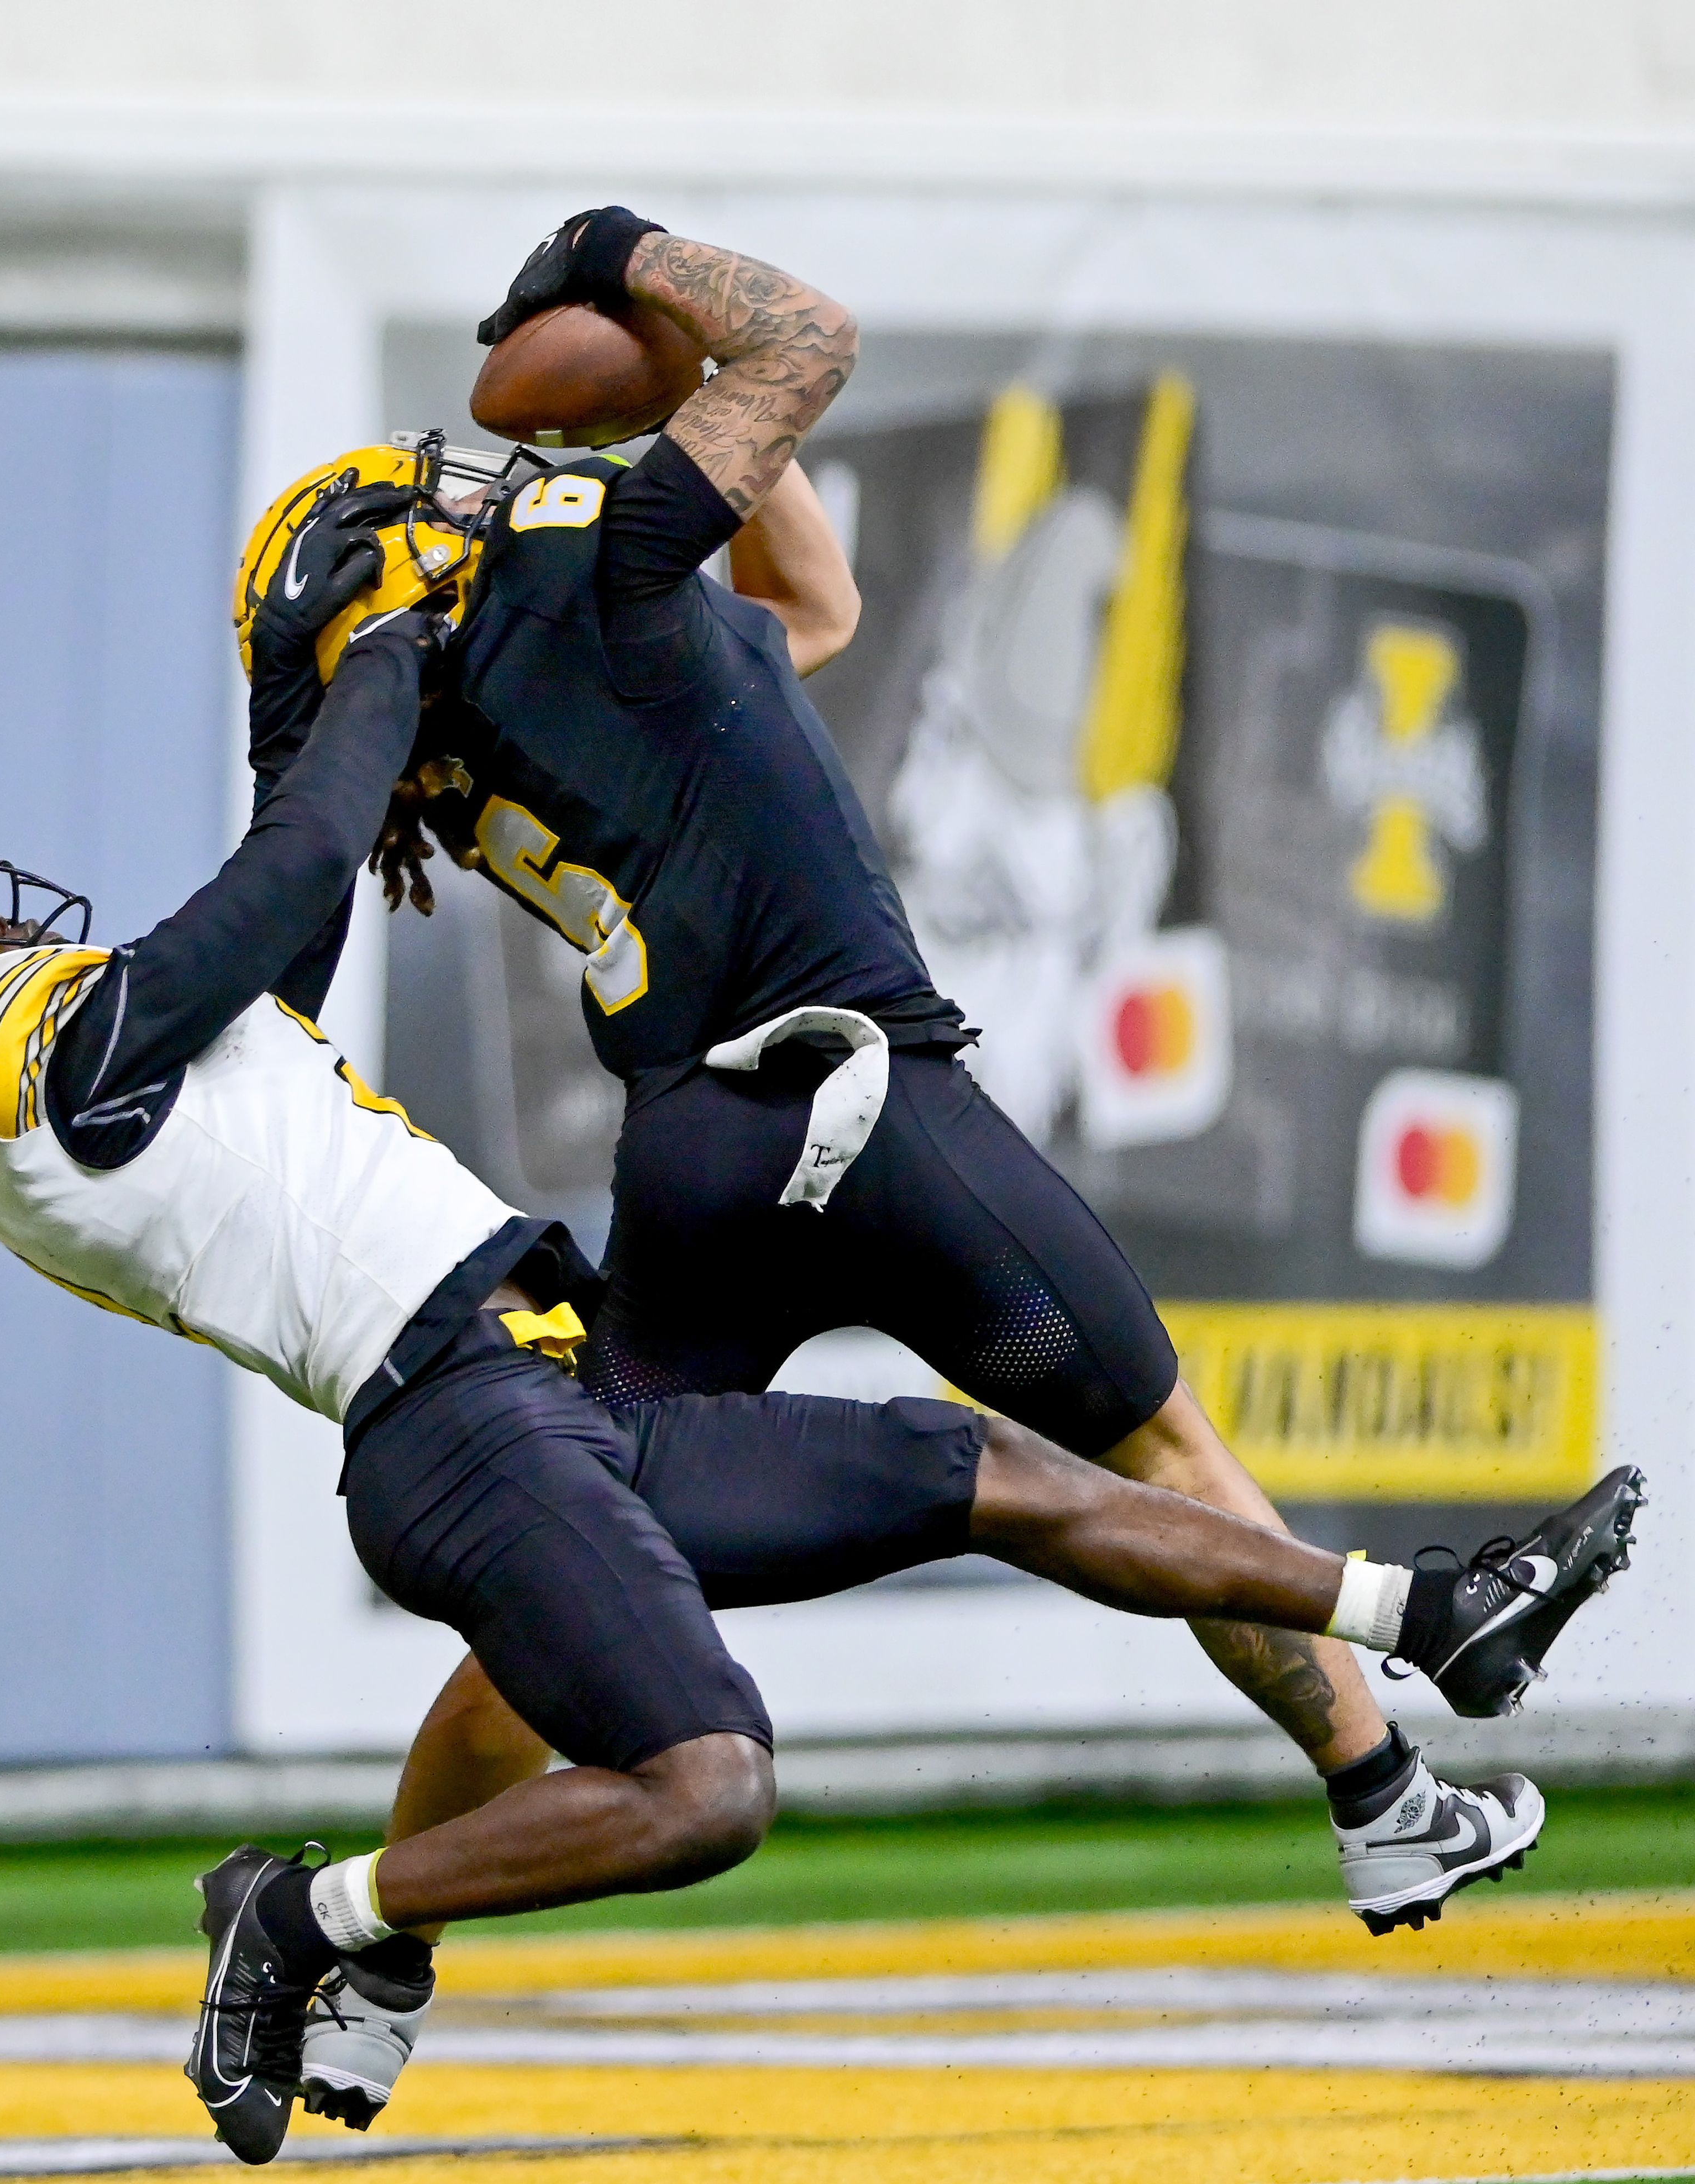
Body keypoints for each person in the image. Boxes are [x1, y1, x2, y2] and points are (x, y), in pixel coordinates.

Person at [0, 542, 1632, 2168]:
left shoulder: (68, 1099)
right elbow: (296, 861)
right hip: (462, 1429)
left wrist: (326, 706)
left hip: (535, 1391)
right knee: (709, 1782)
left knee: (988, 1469)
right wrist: (385, 661)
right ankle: (314, 1909)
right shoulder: (12, 1071)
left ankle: (1429, 1606)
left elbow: (296, 919)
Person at [234, 207, 1637, 2038]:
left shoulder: (484, 710)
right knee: (1153, 1439)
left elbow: (823, 612)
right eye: (424, 502)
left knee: (582, 1547)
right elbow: (804, 339)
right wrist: (629, 257)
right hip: (867, 1109)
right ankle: (1384, 1799)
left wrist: (667, 415)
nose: (467, 487)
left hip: (692, 1156)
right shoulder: (608, 582)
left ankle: (373, 1962)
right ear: (407, 573)